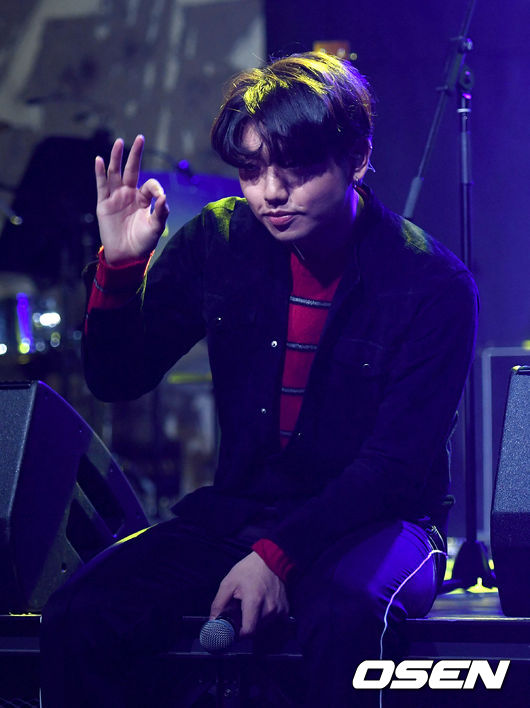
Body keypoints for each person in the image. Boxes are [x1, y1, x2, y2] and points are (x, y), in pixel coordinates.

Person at [40, 51, 478, 707]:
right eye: (251, 170)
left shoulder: (432, 283)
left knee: (346, 615)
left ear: (357, 158)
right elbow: (116, 377)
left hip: (383, 522)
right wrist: (121, 269)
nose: (271, 192)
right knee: (81, 612)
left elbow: (391, 469)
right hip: (244, 511)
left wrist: (278, 556)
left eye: (295, 169)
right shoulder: (219, 240)